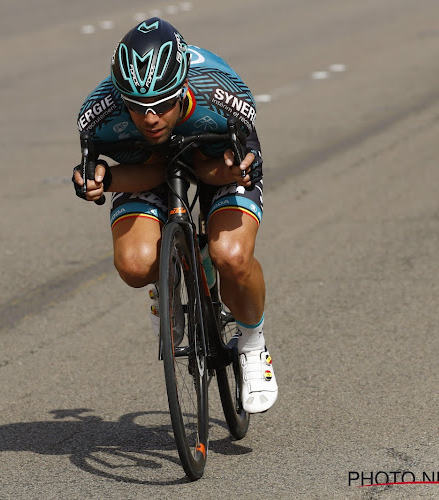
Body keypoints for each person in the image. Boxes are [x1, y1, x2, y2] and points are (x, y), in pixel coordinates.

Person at [72, 17, 277, 413]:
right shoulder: (98, 115)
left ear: (183, 86)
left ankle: (253, 346)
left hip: (215, 155)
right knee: (134, 265)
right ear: (121, 98)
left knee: (231, 256)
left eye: (163, 104)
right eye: (137, 107)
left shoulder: (223, 95)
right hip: (144, 163)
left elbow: (218, 169)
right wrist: (98, 179)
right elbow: (108, 174)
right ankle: (164, 284)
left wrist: (231, 173)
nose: (150, 118)